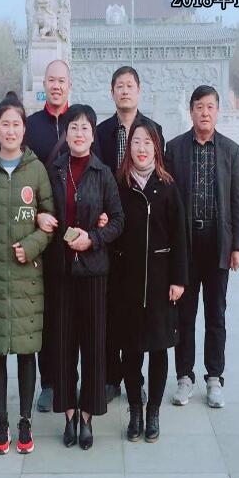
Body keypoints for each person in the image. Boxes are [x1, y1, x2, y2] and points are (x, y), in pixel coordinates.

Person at [0, 97, 55, 454]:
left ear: (24, 129)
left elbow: (49, 222)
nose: (11, 130)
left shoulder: (36, 170)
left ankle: (25, 422)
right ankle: (2, 423)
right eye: (5, 124)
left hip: (26, 278)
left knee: (26, 352)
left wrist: (30, 246)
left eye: (17, 124)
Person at [45, 104, 125, 450]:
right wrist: (47, 222)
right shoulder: (54, 170)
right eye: (74, 127)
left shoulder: (103, 173)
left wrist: (93, 237)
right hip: (61, 271)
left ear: (93, 135)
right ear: (66, 134)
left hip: (94, 272)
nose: (79, 134)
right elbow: (43, 211)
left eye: (85, 128)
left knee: (93, 345)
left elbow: (118, 220)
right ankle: (68, 414)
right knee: (63, 345)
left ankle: (88, 416)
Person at [164, 85, 239, 409]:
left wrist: (238, 245)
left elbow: (237, 201)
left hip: (217, 245)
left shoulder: (230, 151)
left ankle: (214, 378)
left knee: (216, 315)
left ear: (217, 110)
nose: (205, 112)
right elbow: (169, 202)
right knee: (184, 316)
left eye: (210, 107)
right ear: (191, 111)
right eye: (199, 107)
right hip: (185, 246)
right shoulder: (175, 149)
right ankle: (184, 377)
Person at [109, 122, 187, 442]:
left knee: (158, 350)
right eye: (136, 142)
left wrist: (179, 279)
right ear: (129, 148)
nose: (141, 148)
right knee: (130, 352)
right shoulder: (119, 185)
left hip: (159, 283)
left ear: (156, 148)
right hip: (126, 284)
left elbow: (180, 237)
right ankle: (135, 410)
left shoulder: (167, 187)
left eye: (147, 142)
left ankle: (153, 411)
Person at [94, 65, 166, 403]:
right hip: (111, 229)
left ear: (139, 91)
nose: (124, 91)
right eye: (119, 86)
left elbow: (160, 179)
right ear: (112, 92)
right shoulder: (101, 132)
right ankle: (112, 376)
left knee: (139, 309)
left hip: (142, 230)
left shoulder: (153, 130)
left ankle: (137, 379)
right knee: (112, 309)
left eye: (130, 86)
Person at [26, 59, 73, 413]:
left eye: (62, 80)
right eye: (51, 80)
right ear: (44, 84)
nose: (56, 86)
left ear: (69, 85)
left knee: (76, 313)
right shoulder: (30, 127)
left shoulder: (80, 122)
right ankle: (49, 382)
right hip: (41, 233)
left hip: (76, 234)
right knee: (46, 313)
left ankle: (75, 379)